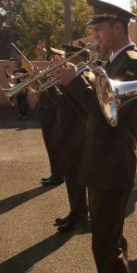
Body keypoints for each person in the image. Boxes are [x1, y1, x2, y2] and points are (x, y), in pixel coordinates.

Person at [54, 0, 137, 273]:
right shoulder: (113, 62)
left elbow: (110, 116)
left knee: (106, 245)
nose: (94, 33)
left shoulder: (132, 65)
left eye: (99, 27)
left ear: (119, 28)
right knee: (106, 245)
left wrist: (74, 83)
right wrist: (75, 83)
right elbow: (90, 114)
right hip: (102, 163)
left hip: (113, 165)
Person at [49, 44, 92, 233]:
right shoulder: (75, 78)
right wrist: (52, 82)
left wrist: (56, 85)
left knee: (76, 179)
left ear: (77, 59)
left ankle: (80, 216)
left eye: (68, 57)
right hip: (68, 134)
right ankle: (75, 213)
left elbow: (66, 103)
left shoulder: (86, 76)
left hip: (78, 136)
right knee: (71, 179)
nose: (65, 60)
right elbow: (62, 101)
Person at [37, 48, 66, 187]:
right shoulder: (55, 74)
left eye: (55, 57)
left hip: (55, 116)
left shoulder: (65, 75)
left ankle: (58, 174)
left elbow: (59, 95)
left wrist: (48, 82)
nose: (52, 60)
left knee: (55, 147)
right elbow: (40, 89)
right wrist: (38, 79)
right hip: (47, 113)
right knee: (51, 146)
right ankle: (56, 173)